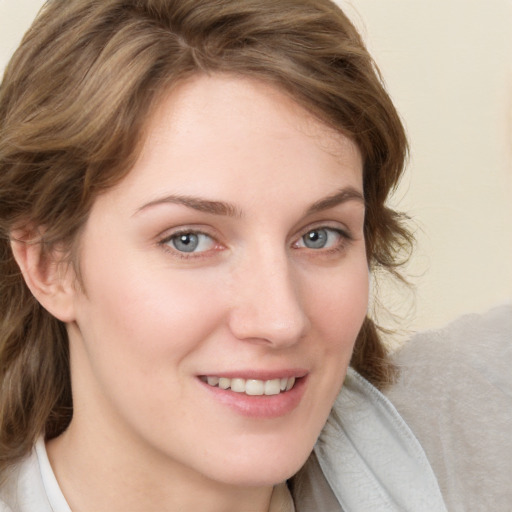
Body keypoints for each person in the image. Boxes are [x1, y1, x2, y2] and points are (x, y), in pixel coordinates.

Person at [0, 0, 447, 510]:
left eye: (319, 235)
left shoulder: (461, 448)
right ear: (47, 265)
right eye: (188, 240)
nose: (281, 321)